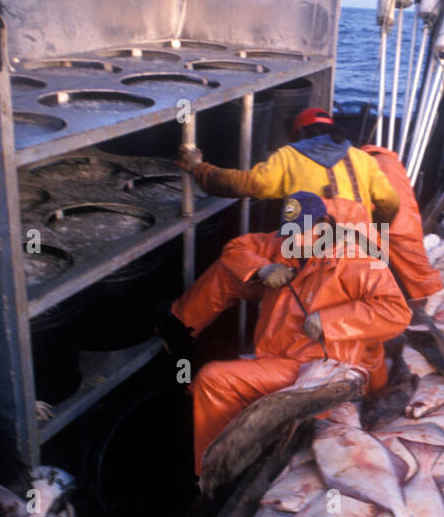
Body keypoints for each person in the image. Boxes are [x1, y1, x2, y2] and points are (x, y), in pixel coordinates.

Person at [168, 191, 411, 475]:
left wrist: (330, 321)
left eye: (299, 234)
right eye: (288, 234)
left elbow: (397, 313)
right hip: (277, 355)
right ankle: (176, 329)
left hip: (321, 369)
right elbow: (235, 248)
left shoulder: (357, 260)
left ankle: (212, 474)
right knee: (230, 273)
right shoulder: (285, 244)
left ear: (322, 226)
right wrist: (262, 269)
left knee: (212, 379)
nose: (292, 242)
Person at [176, 107, 401, 225]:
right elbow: (391, 202)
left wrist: (199, 168)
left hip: (309, 250)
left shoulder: (289, 155)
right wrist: (375, 229)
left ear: (300, 133)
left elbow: (248, 184)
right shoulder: (363, 159)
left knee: (237, 257)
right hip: (362, 250)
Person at [357, 142, 444, 301]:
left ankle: (375, 299)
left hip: (379, 222)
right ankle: (433, 300)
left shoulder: (356, 164)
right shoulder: (392, 161)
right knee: (421, 276)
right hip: (405, 223)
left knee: (363, 268)